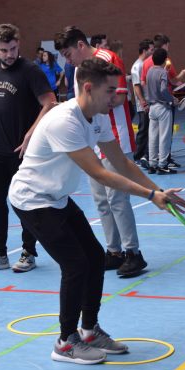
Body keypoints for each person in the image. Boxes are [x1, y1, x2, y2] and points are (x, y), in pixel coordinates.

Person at [9, 58, 185, 364]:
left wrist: (157, 191)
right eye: (110, 91)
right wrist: (149, 195)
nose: (117, 97)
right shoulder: (64, 121)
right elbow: (101, 173)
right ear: (88, 88)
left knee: (94, 257)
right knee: (76, 264)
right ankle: (66, 342)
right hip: (33, 199)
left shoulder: (99, 116)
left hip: (58, 197)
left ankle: (89, 330)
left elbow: (121, 163)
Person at [54, 25, 146, 276]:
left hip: (115, 136)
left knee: (117, 198)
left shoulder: (107, 59)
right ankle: (114, 251)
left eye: (68, 53)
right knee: (101, 201)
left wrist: (96, 102)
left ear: (80, 46)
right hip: (91, 142)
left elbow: (120, 96)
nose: (67, 59)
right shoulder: (77, 71)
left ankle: (133, 253)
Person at [0, 23, 56, 273]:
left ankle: (28, 252)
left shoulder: (30, 70)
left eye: (14, 48)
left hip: (23, 151)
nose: (10, 54)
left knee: (25, 204)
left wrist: (32, 133)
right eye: (4, 50)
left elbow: (50, 102)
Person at [144, 48, 178, 175]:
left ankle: (152, 164)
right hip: (163, 107)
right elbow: (164, 90)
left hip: (152, 107)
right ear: (165, 60)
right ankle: (162, 165)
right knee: (164, 137)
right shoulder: (162, 72)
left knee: (152, 137)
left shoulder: (149, 72)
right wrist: (172, 99)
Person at [131, 38, 155, 168]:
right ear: (145, 50)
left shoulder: (145, 64)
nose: (153, 52)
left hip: (149, 102)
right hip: (143, 104)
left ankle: (147, 154)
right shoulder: (137, 66)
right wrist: (143, 102)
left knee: (148, 129)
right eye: (151, 50)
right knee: (143, 129)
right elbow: (136, 86)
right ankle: (138, 156)